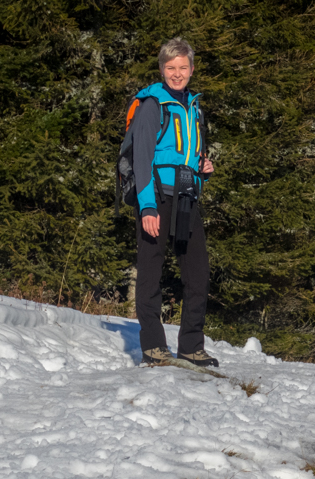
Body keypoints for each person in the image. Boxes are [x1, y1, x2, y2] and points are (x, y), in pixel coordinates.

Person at [130, 38, 218, 367]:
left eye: (183, 67)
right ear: (162, 70)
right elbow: (142, 159)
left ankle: (191, 347)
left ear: (192, 69)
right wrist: (147, 206)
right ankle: (153, 346)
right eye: (171, 68)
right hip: (155, 196)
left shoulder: (193, 107)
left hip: (186, 196)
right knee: (151, 271)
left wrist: (202, 169)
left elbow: (188, 154)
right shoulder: (153, 105)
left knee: (197, 272)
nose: (177, 74)